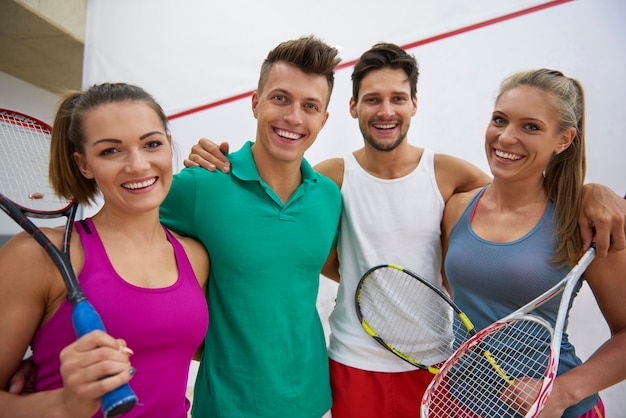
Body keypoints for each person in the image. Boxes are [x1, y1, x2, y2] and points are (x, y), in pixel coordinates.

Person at [185, 43, 626, 418]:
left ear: (416, 103)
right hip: (366, 369)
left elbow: (527, 194)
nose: (386, 109)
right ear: (352, 107)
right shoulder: (326, 182)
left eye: (399, 97)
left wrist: (590, 191)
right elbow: (298, 245)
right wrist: (209, 159)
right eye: (372, 98)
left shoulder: (454, 180)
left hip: (440, 369)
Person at [159, 35, 342, 417]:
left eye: (310, 106)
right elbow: (120, 241)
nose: (293, 117)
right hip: (226, 405)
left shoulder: (328, 197)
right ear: (256, 103)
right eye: (280, 98)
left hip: (312, 401)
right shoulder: (201, 185)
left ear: (323, 119)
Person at [0, 82, 209, 417]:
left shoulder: (195, 257)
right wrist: (63, 405)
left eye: (151, 144)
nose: (138, 165)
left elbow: (178, 348)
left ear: (169, 146)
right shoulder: (35, 256)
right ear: (84, 165)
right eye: (111, 151)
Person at [442, 68, 626, 417]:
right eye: (500, 120)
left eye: (531, 127)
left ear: (563, 139)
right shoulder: (459, 207)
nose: (506, 138)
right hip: (461, 403)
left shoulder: (586, 223)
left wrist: (561, 392)